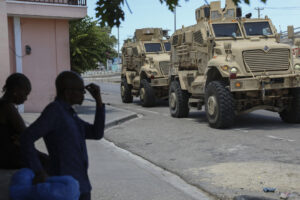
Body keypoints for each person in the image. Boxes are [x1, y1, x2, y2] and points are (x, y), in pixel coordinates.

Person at [20, 71, 105, 200]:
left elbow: (96, 133)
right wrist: (38, 170)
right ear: (68, 92)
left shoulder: (70, 114)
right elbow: (26, 137)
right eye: (81, 90)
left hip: (81, 185)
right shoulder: (54, 111)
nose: (84, 94)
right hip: (64, 188)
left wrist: (99, 102)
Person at [0, 73, 31, 169]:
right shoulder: (8, 107)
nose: (26, 98)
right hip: (8, 157)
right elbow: (26, 134)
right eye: (25, 93)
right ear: (16, 90)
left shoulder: (3, 104)